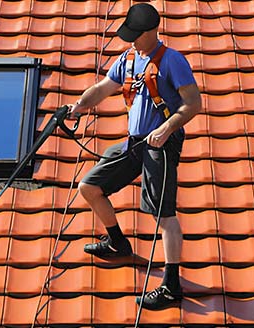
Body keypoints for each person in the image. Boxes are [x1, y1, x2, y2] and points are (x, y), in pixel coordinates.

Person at [67, 3, 202, 310]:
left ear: (151, 31)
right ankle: (117, 241)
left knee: (162, 214)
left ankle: (171, 285)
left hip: (161, 146)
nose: (131, 40)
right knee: (89, 187)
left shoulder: (172, 61)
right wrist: (77, 106)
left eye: (135, 35)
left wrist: (167, 129)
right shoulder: (128, 59)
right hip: (134, 143)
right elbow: (102, 89)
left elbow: (193, 103)